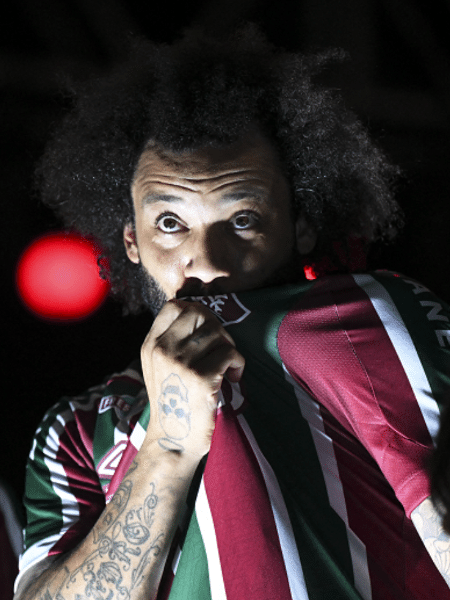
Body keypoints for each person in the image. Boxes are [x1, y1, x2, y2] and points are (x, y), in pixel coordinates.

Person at [14, 25, 450, 600]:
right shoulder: (75, 431)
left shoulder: (368, 320)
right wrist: (168, 446)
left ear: (300, 226)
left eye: (242, 219)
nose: (207, 263)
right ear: (131, 241)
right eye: (170, 223)